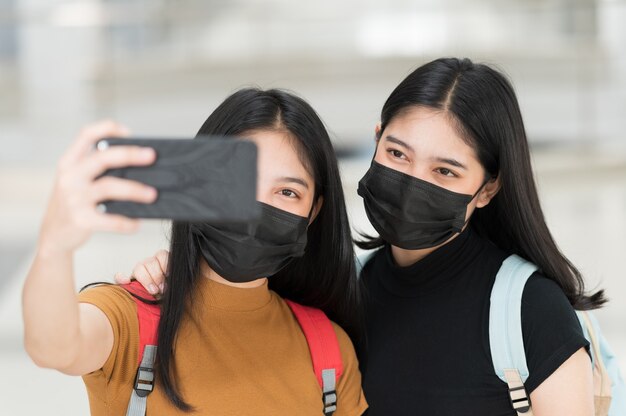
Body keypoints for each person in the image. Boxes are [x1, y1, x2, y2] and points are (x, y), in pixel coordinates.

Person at [126, 58, 600, 416]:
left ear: (487, 188)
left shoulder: (530, 309)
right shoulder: (345, 288)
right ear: (376, 140)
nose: (415, 182)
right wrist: (177, 268)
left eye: (445, 171)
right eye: (397, 153)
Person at [22, 88, 368, 416]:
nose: (257, 206)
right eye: (239, 181)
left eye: (287, 192)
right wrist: (55, 246)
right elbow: (53, 347)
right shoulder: (131, 318)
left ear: (314, 212)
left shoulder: (328, 348)